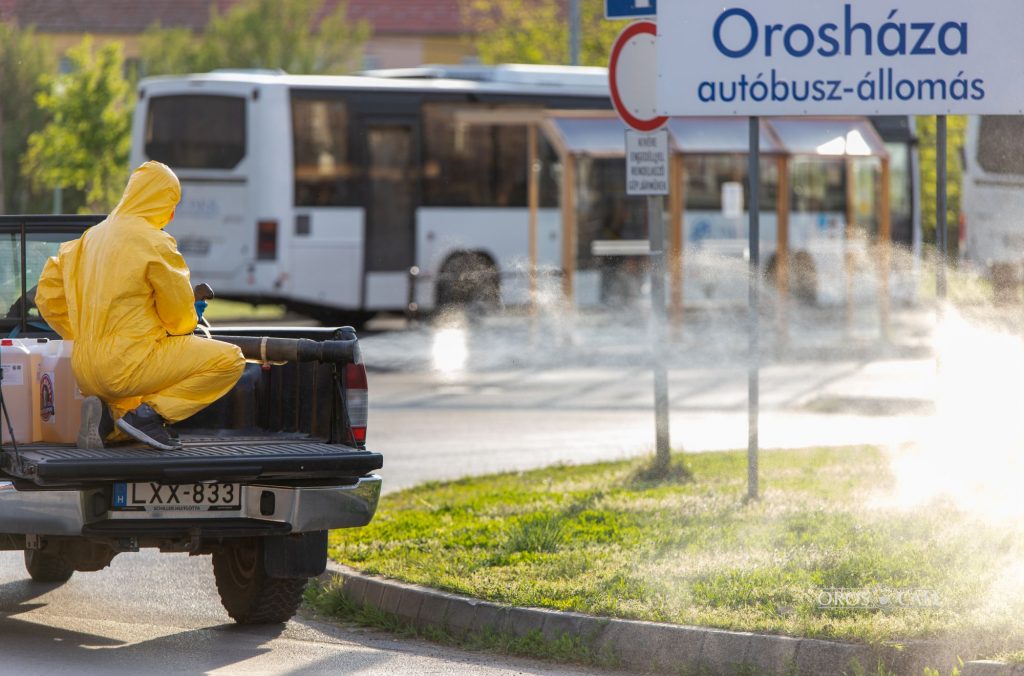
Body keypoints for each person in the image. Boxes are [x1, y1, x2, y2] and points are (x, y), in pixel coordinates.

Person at [36, 161, 245, 450]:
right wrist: (189, 318)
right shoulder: (153, 241)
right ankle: (151, 417)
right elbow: (179, 320)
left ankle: (107, 423)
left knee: (129, 404)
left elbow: (47, 295)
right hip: (128, 365)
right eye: (172, 203)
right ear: (161, 202)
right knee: (230, 360)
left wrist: (81, 333)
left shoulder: (89, 239)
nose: (172, 214)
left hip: (85, 369)